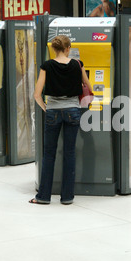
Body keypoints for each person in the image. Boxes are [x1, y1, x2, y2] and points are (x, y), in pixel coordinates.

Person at [29, 35, 92, 205]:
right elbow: (89, 87)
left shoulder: (47, 66)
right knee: (69, 153)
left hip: (53, 112)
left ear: (54, 49)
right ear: (68, 48)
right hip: (73, 111)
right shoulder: (78, 64)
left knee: (49, 154)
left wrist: (46, 107)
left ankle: (43, 196)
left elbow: (36, 94)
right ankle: (67, 197)